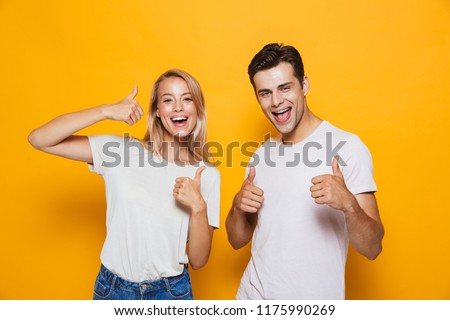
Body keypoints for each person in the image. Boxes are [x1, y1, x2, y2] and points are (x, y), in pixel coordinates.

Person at [28, 69, 220, 300]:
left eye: (187, 99)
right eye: (168, 100)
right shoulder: (120, 151)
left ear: (197, 108)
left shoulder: (206, 174)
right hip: (113, 290)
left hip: (170, 294)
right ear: (157, 112)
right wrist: (105, 111)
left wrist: (198, 207)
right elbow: (39, 139)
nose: (178, 107)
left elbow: (199, 260)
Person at [226, 43, 384, 300]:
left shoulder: (348, 147)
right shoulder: (260, 155)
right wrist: (237, 207)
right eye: (265, 93)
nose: (276, 102)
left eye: (285, 88)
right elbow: (236, 240)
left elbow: (373, 247)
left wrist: (349, 205)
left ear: (305, 85)